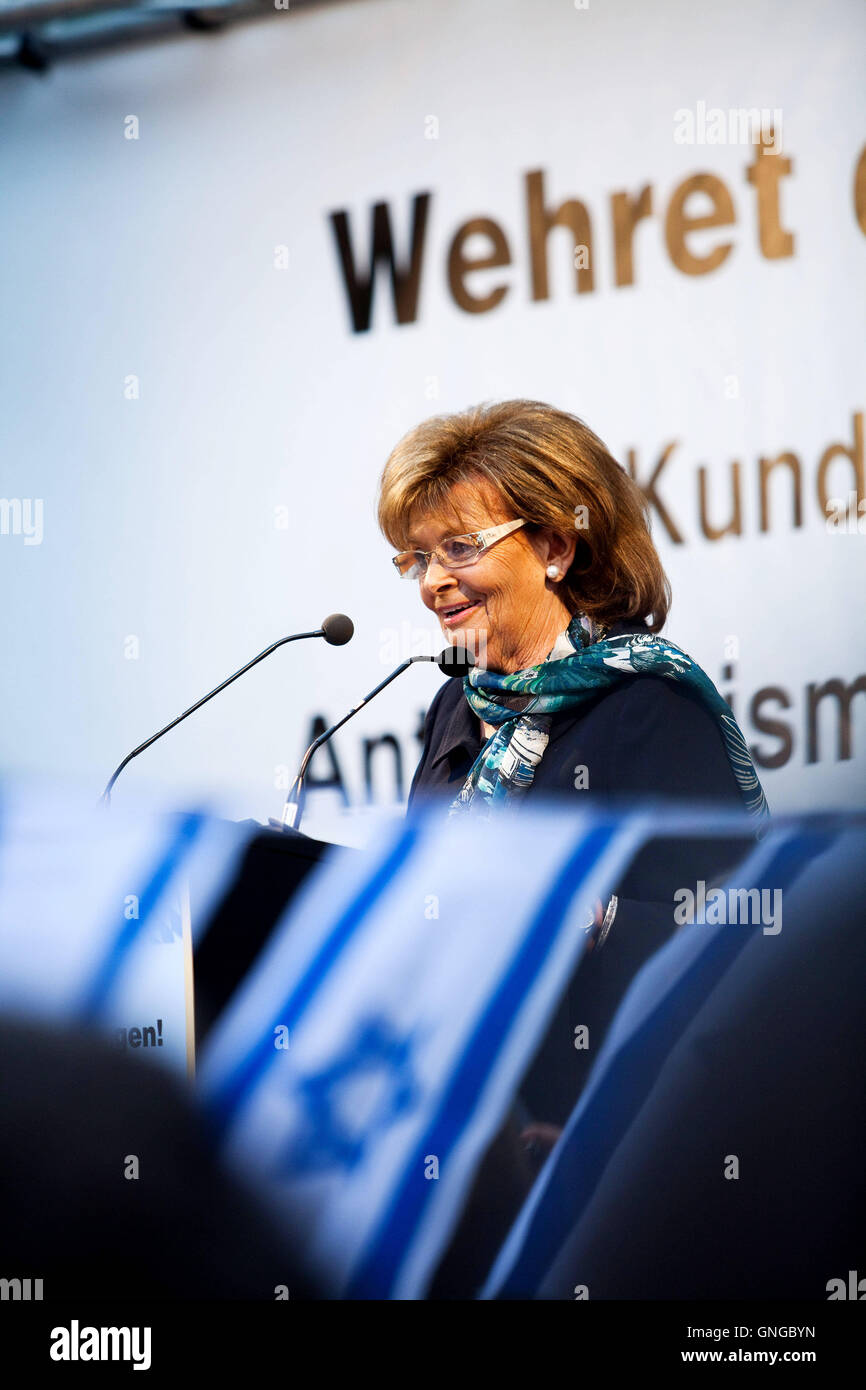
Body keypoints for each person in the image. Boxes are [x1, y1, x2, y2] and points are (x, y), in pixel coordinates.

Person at [376, 399, 771, 1293]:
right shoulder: (455, 710)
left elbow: (730, 947)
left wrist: (585, 920)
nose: (434, 582)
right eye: (419, 558)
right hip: (464, 1164)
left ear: (557, 546)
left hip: (607, 1165)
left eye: (460, 548)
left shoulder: (648, 710)